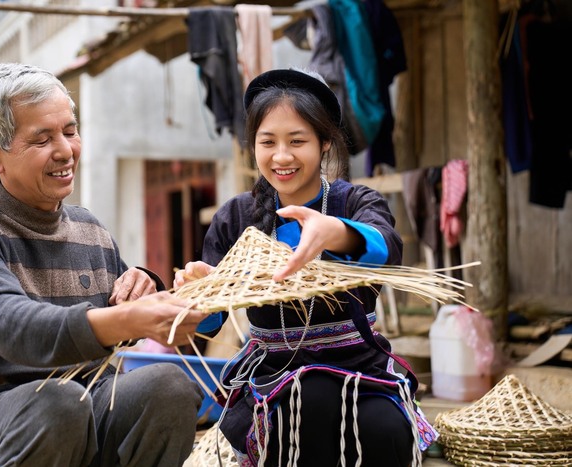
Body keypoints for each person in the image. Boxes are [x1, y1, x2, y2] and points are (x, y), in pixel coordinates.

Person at [0, 62, 206, 467]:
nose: (65, 150)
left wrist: (145, 283)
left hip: (89, 404)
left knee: (170, 385)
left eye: (70, 131)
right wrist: (130, 318)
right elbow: (17, 328)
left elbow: (119, 319)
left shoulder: (88, 227)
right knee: (59, 402)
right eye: (42, 139)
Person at [174, 68, 437, 466]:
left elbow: (388, 249)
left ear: (325, 142)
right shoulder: (236, 218)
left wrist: (334, 233)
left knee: (385, 431)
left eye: (297, 141)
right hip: (273, 374)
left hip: (357, 365)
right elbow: (209, 325)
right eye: (268, 142)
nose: (281, 156)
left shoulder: (354, 203)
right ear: (254, 145)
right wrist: (201, 292)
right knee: (305, 402)